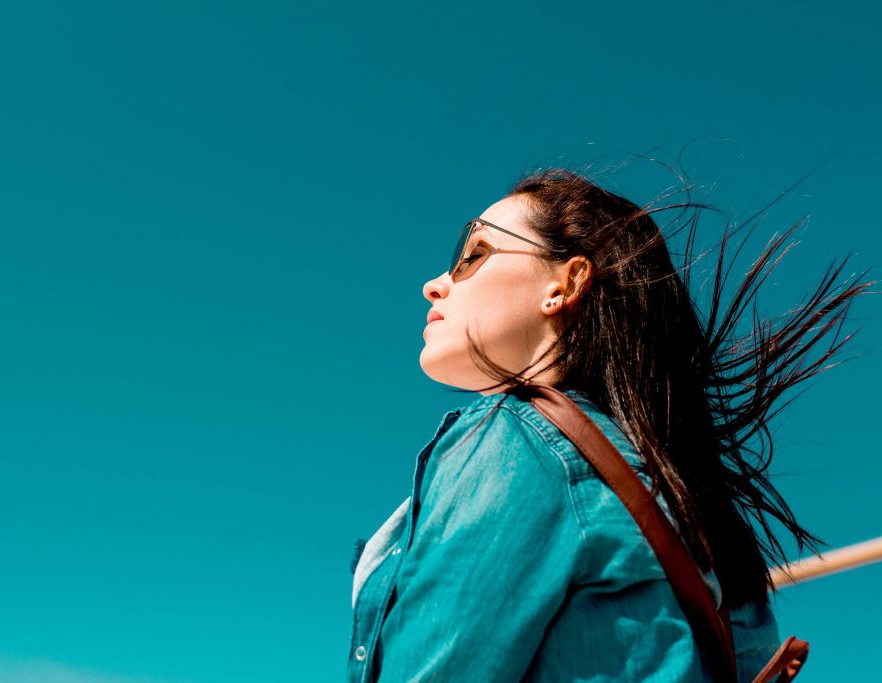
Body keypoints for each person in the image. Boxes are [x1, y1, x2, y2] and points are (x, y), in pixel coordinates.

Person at [346, 168, 871, 682]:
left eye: (473, 256)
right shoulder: (687, 502)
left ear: (566, 283)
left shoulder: (516, 440)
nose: (433, 285)